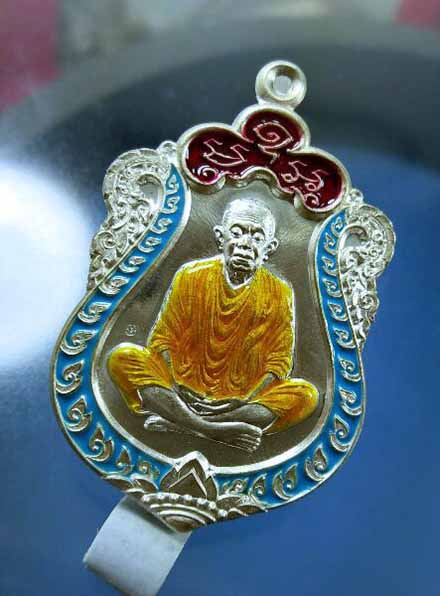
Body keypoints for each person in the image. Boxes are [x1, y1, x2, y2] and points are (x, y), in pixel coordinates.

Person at [108, 197, 318, 452]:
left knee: (305, 396)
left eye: (257, 237)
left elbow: (279, 361)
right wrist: (176, 385)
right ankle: (217, 431)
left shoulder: (279, 292)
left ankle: (182, 423)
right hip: (179, 387)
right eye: (237, 233)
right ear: (220, 238)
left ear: (269, 248)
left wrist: (245, 399)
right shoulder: (190, 275)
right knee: (123, 358)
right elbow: (163, 339)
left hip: (240, 400)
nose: (245, 244)